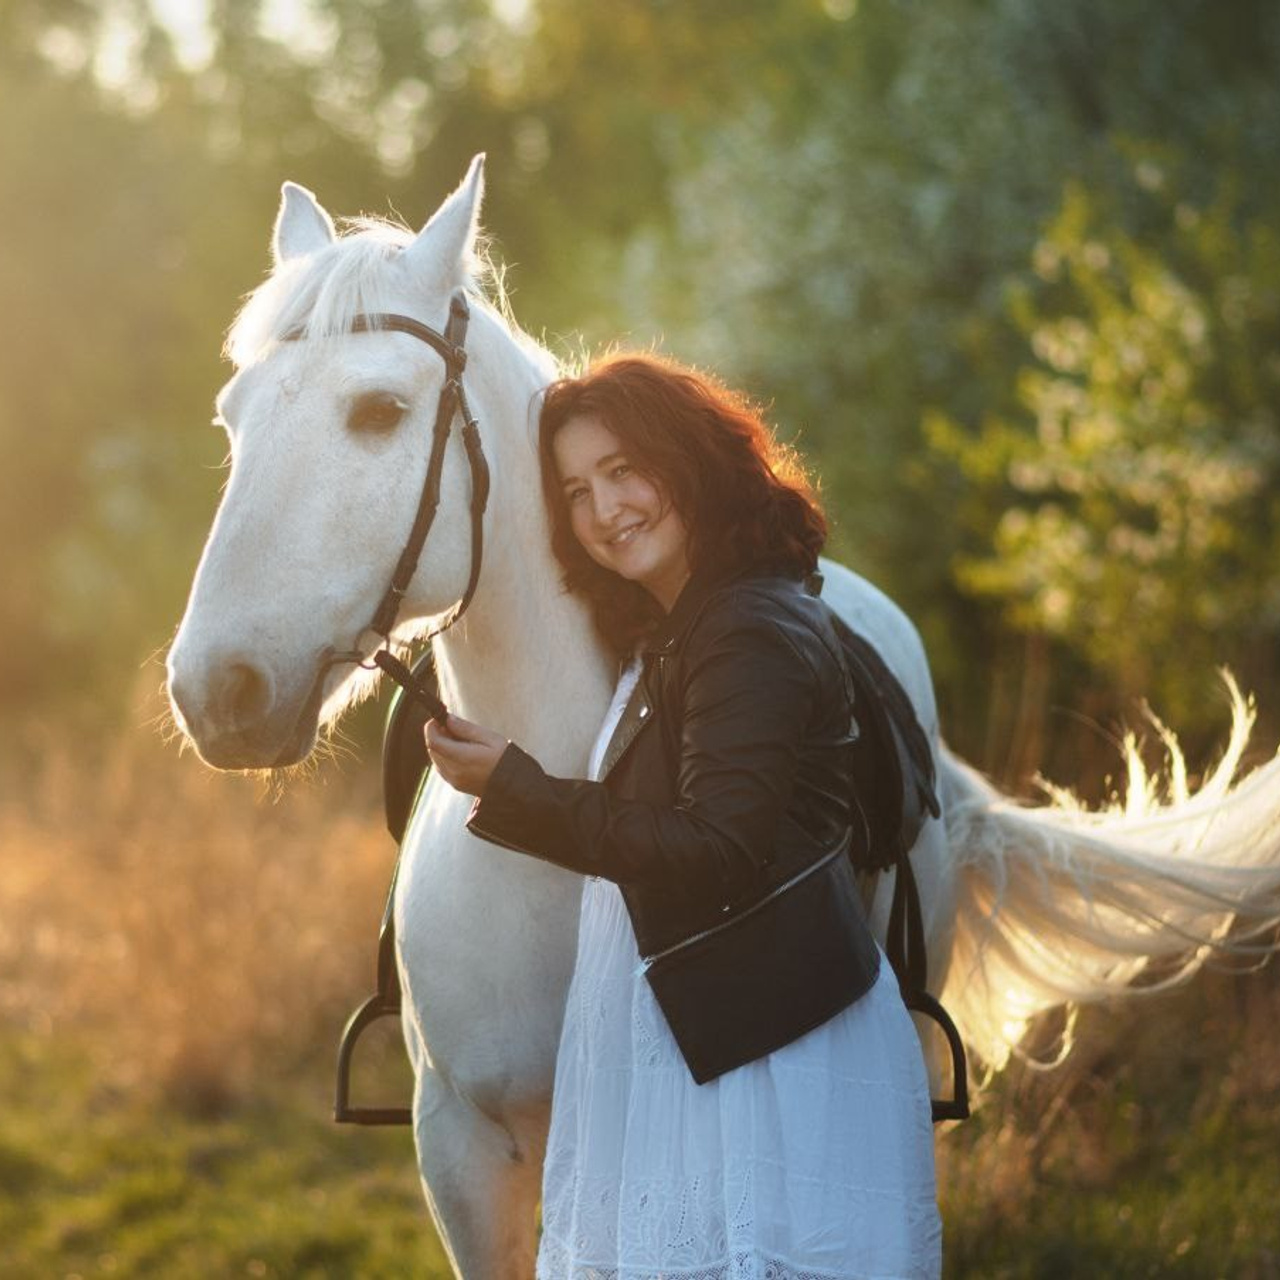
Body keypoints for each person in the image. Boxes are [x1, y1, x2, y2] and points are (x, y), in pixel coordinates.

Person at [425, 354, 942, 1279]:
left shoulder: (746, 631)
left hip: (774, 1063)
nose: (606, 509)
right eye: (578, 490)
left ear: (691, 459)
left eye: (627, 469)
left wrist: (516, 791)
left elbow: (717, 850)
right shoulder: (680, 626)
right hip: (716, 1040)